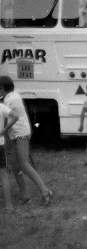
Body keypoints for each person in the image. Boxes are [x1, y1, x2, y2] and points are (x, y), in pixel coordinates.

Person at [0, 75, 52, 206]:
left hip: (20, 134)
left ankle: (45, 192)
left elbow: (9, 119)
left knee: (23, 164)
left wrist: (4, 130)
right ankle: (25, 196)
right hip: (15, 134)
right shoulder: (11, 96)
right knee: (15, 166)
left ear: (1, 89)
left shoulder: (10, 100)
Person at [0, 101, 14, 212]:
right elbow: (16, 116)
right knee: (3, 174)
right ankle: (9, 206)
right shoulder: (2, 107)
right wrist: (4, 130)